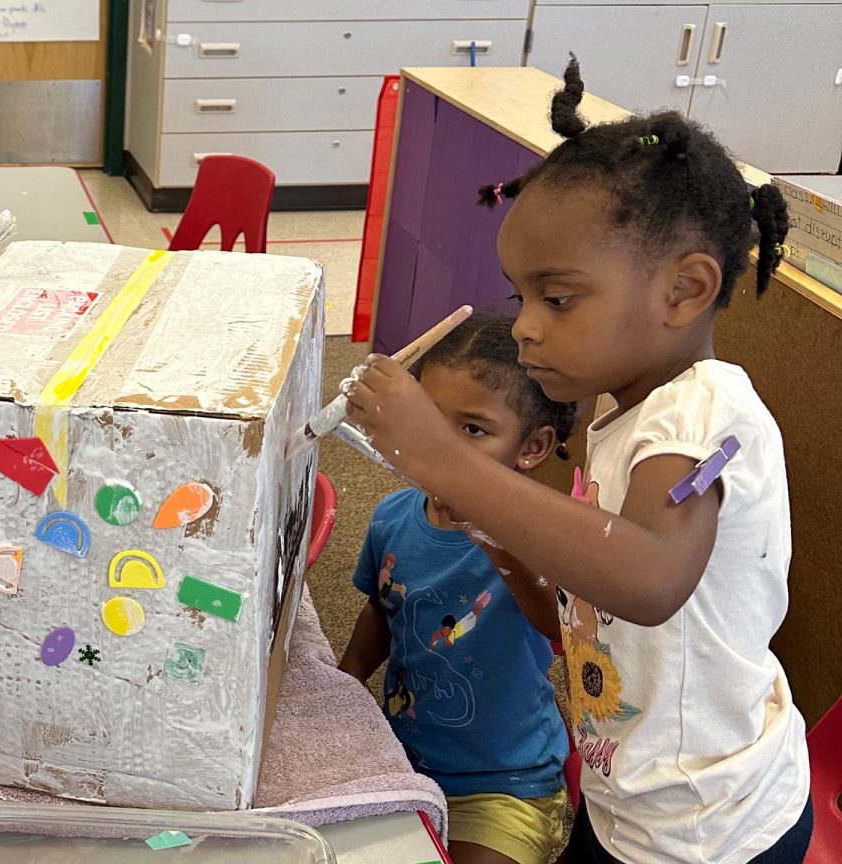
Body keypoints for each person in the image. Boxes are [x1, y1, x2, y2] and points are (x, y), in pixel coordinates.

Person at [344, 55, 811, 863]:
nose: (525, 326)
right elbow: (580, 613)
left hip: (711, 829)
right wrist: (500, 539)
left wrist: (448, 461)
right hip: (627, 785)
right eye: (520, 296)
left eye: (556, 300)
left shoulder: (704, 417)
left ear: (684, 290)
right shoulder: (619, 411)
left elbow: (649, 578)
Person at [340, 314, 573, 864]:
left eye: (472, 430)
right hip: (402, 761)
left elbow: (559, 627)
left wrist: (489, 531)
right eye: (430, 422)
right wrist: (345, 685)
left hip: (507, 786)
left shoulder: (549, 534)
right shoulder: (391, 518)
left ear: (533, 446)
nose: (440, 448)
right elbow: (383, 607)